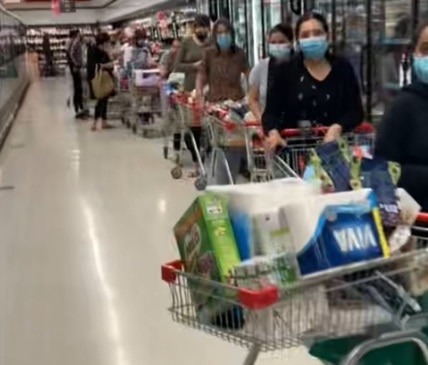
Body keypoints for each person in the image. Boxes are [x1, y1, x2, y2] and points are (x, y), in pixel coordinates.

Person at [262, 12, 364, 151]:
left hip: (336, 153)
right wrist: (273, 133)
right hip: (295, 153)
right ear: (297, 40)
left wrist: (338, 127)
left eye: (317, 33)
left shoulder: (342, 68)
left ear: (327, 36)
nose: (312, 39)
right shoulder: (285, 70)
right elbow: (270, 114)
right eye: (305, 35)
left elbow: (355, 111)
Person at [375, 21, 428, 212]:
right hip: (419, 225)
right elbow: (382, 170)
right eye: (426, 49)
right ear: (414, 54)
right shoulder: (403, 107)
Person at [196, 17, 250, 184]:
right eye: (219, 33)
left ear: (232, 34)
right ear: (215, 35)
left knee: (239, 139)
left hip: (236, 102)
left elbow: (249, 74)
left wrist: (254, 95)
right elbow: (201, 76)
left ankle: (235, 169)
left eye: (226, 32)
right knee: (225, 141)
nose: (223, 36)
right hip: (216, 104)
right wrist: (199, 96)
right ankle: (224, 175)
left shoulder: (240, 54)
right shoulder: (209, 54)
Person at [174, 14, 212, 177]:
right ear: (194, 28)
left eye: (204, 27)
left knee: (211, 128)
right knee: (193, 129)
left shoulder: (212, 43)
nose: (201, 30)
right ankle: (197, 164)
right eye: (199, 27)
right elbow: (177, 65)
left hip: (210, 91)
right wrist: (193, 66)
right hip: (191, 92)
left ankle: (209, 162)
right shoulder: (187, 43)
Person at [248, 23, 294, 121]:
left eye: (281, 42)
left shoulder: (300, 66)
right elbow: (252, 99)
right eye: (273, 43)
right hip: (269, 128)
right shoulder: (261, 68)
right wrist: (262, 120)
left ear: (291, 43)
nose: (277, 46)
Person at [91, 32, 115, 131]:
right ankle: (95, 123)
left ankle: (104, 122)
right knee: (101, 100)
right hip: (102, 78)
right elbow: (103, 64)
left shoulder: (94, 50)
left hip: (100, 77)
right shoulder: (99, 52)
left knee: (104, 100)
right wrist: (108, 64)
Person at [69, 30, 85, 119]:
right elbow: (71, 54)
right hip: (76, 68)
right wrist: (76, 64)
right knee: (78, 88)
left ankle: (79, 107)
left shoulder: (76, 42)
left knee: (78, 88)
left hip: (77, 67)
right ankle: (78, 108)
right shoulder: (76, 43)